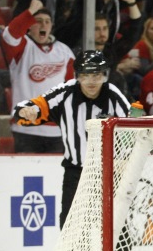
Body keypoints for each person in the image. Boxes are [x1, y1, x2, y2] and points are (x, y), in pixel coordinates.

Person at [13, 50, 130, 229]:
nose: (91, 82)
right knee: (70, 225)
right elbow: (33, 106)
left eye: (96, 75)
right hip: (75, 172)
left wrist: (124, 158)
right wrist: (26, 111)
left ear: (104, 75)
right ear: (77, 76)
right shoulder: (64, 92)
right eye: (85, 76)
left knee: (117, 226)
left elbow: (134, 125)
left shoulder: (112, 94)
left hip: (109, 172)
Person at [1, 0, 75, 153]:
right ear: (29, 26)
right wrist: (30, 11)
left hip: (56, 129)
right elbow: (9, 35)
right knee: (26, 174)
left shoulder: (64, 52)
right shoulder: (22, 47)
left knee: (54, 175)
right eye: (38, 21)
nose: (43, 25)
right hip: (26, 129)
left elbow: (71, 88)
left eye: (47, 22)